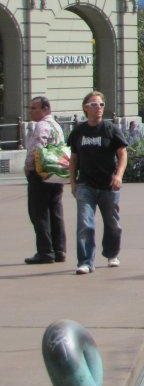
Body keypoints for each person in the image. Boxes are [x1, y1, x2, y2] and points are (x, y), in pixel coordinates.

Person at [67, 91, 128, 274]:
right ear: (86, 108)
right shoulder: (79, 131)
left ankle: (112, 253)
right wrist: (72, 182)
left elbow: (122, 154)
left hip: (108, 185)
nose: (99, 108)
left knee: (112, 223)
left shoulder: (110, 129)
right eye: (94, 105)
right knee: (85, 223)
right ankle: (85, 261)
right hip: (86, 184)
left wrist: (118, 175)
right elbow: (74, 158)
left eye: (101, 105)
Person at [23, 96, 67, 264]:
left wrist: (28, 167)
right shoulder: (56, 125)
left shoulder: (41, 125)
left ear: (45, 109)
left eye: (34, 108)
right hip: (56, 172)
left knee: (38, 212)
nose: (31, 111)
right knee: (55, 211)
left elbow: (37, 148)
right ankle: (59, 249)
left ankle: (45, 251)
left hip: (40, 173)